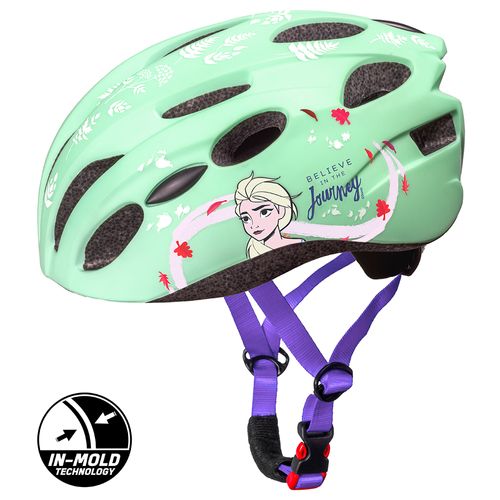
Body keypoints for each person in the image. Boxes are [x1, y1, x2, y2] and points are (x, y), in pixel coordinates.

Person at [234, 173, 304, 258]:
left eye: (264, 212)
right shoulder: (252, 251)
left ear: (280, 210)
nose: (254, 225)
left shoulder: (299, 243)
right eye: (245, 218)